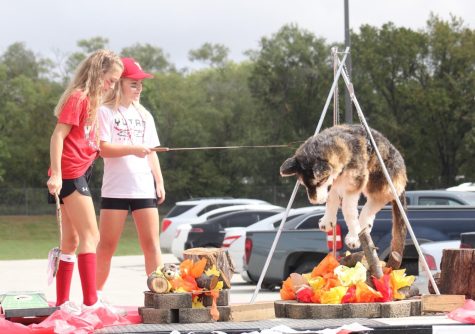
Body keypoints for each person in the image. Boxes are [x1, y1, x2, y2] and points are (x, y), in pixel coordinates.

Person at [46, 50, 124, 313]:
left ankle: (63, 303)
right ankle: (91, 303)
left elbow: (93, 144)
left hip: (79, 172)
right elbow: (58, 136)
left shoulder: (93, 103)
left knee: (72, 240)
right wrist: (56, 174)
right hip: (70, 173)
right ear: (97, 72)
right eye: (110, 80)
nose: (112, 86)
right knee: (92, 235)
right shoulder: (78, 97)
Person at [95, 57, 165, 299]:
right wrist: (133, 149)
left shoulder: (145, 115)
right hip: (115, 189)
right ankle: (94, 296)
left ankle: (160, 295)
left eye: (140, 84)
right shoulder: (104, 112)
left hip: (143, 189)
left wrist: (159, 180)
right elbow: (103, 149)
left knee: (151, 245)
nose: (139, 88)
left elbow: (152, 152)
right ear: (119, 84)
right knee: (106, 246)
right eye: (133, 83)